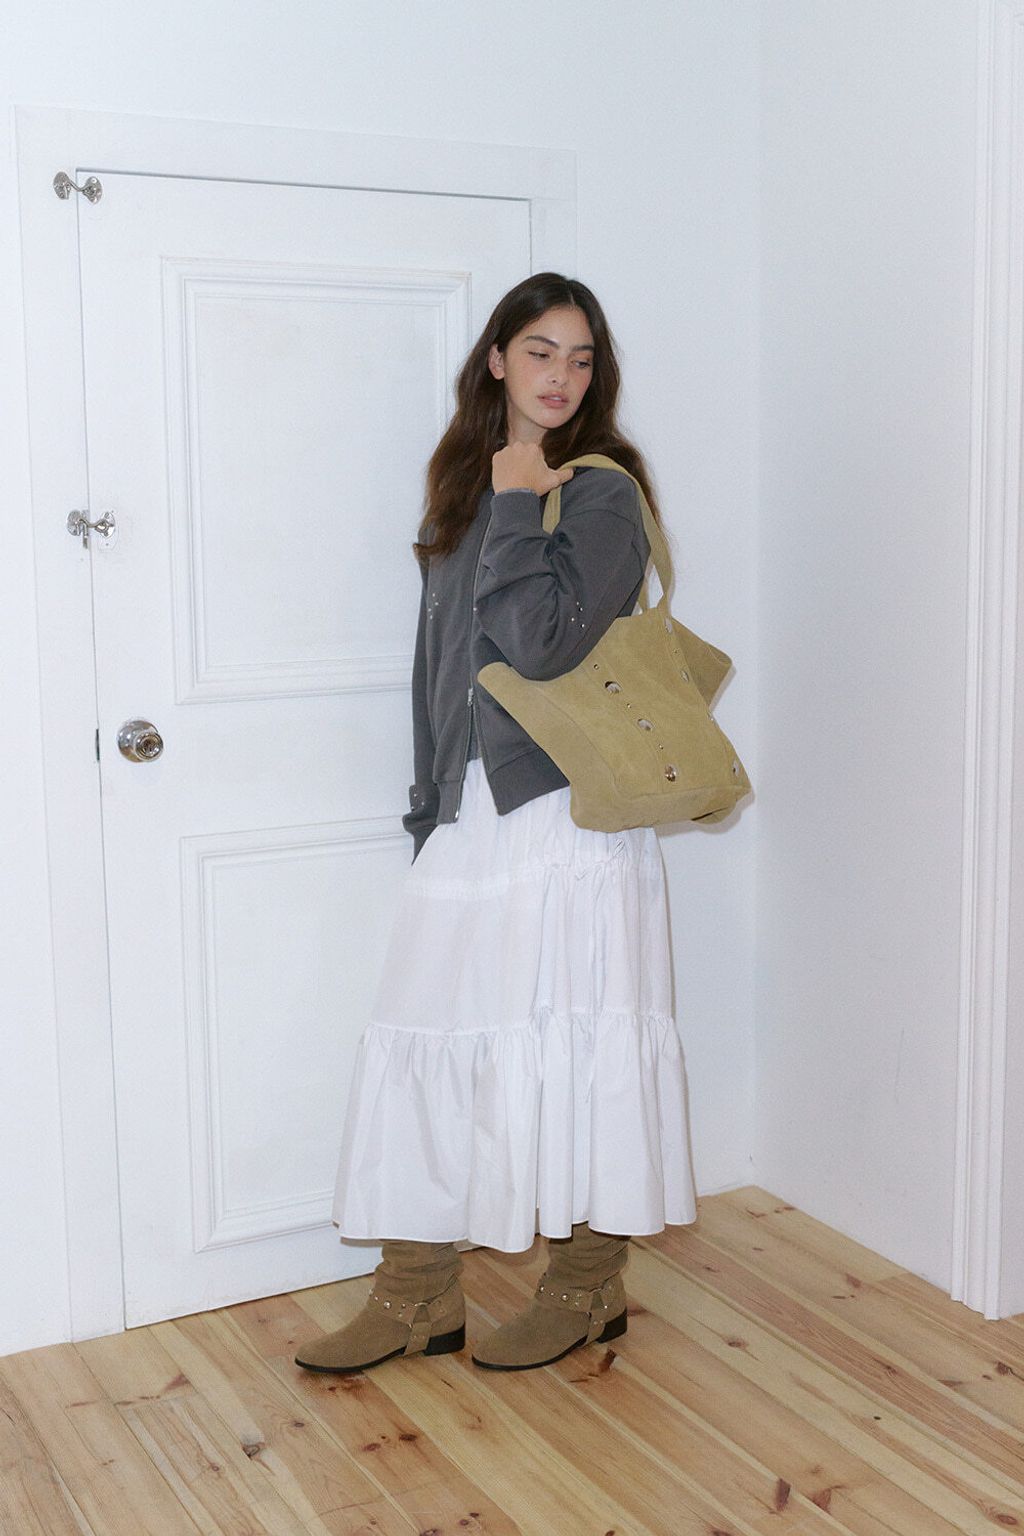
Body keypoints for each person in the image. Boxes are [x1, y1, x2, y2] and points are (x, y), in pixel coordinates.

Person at [294, 271, 699, 1376]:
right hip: (476, 807)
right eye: (540, 352)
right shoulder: (466, 478)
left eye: (581, 358)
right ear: (497, 360)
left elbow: (543, 645)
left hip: (569, 816)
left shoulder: (602, 491)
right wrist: (430, 796)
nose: (561, 376)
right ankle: (416, 1296)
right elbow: (438, 658)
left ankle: (585, 1286)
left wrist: (522, 502)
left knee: (580, 1034)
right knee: (430, 1029)